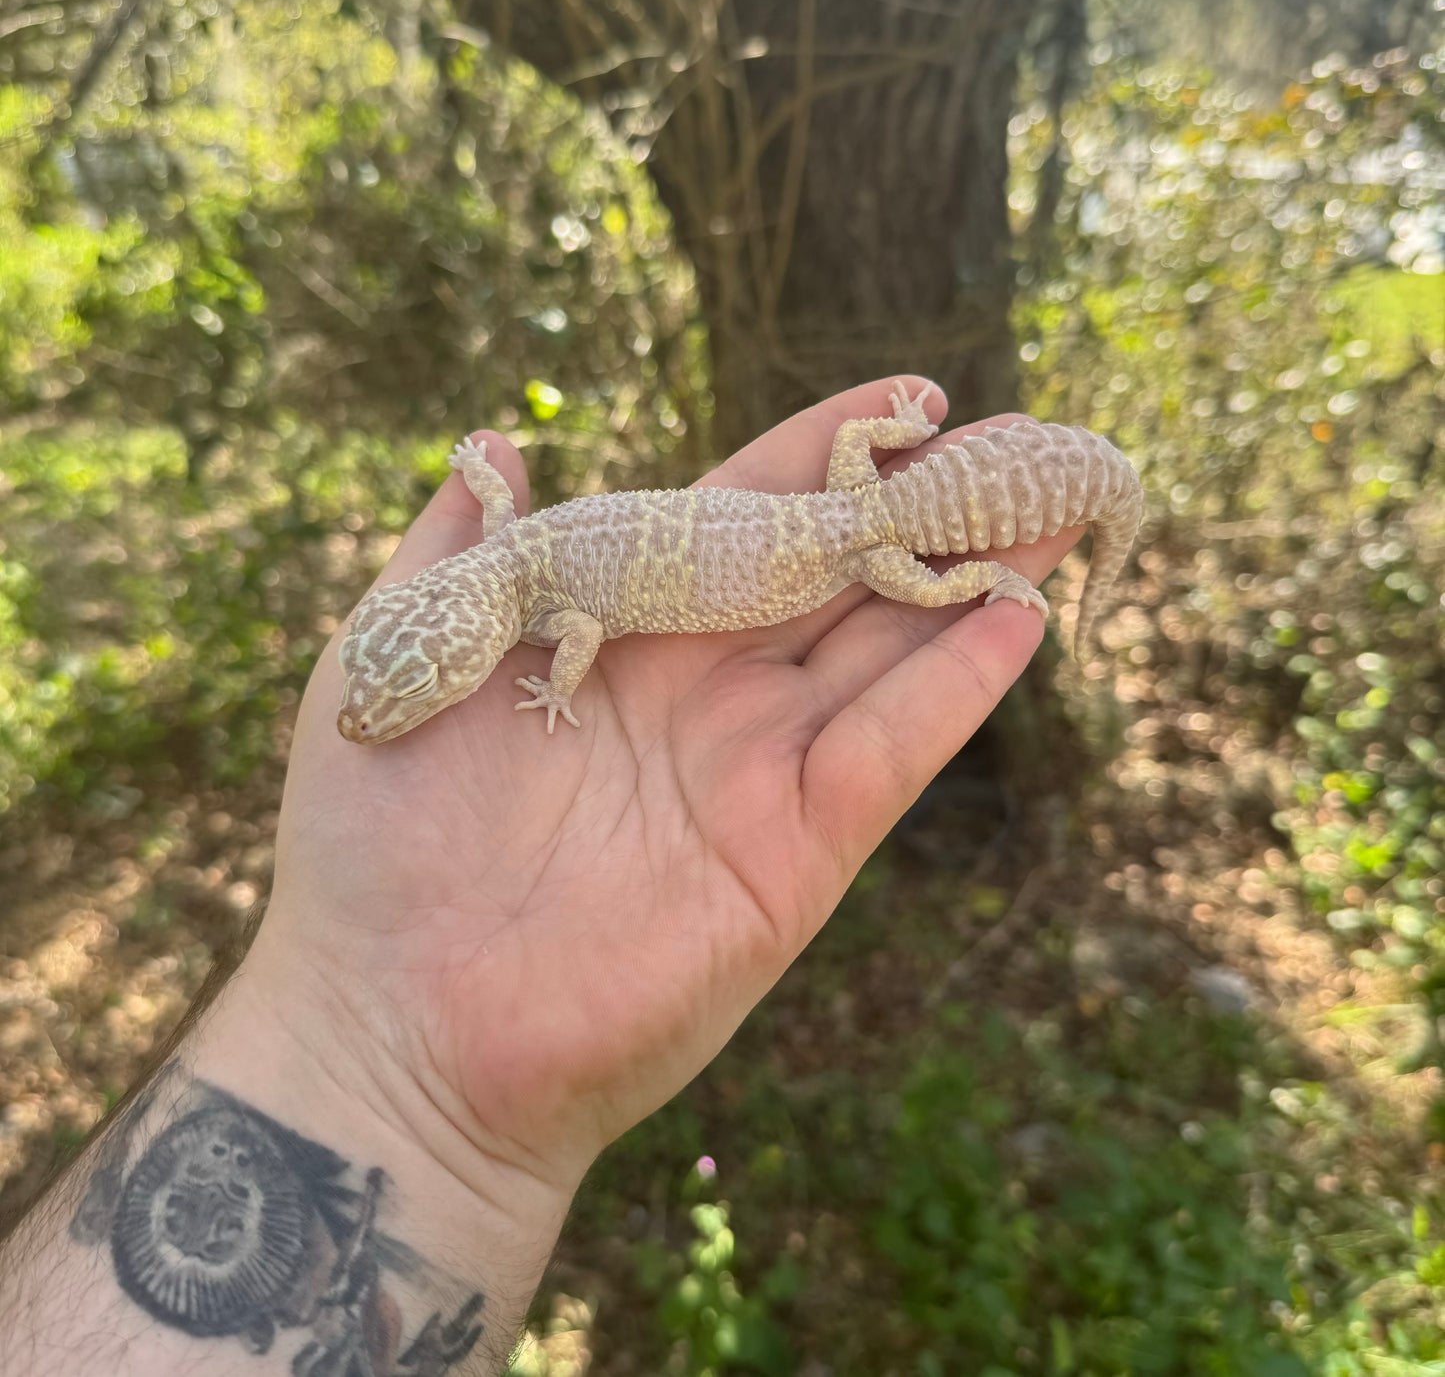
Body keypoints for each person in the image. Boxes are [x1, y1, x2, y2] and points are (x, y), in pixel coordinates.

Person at [0, 376, 1078, 1375]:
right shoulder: (508, 569)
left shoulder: (534, 597)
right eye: (397, 685)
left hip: (842, 543)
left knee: (934, 570)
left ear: (462, 646)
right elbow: (518, 560)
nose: (374, 717)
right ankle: (989, 529)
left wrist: (551, 663)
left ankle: (995, 556)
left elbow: (575, 631)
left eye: (414, 685)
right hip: (839, 520)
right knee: (874, 463)